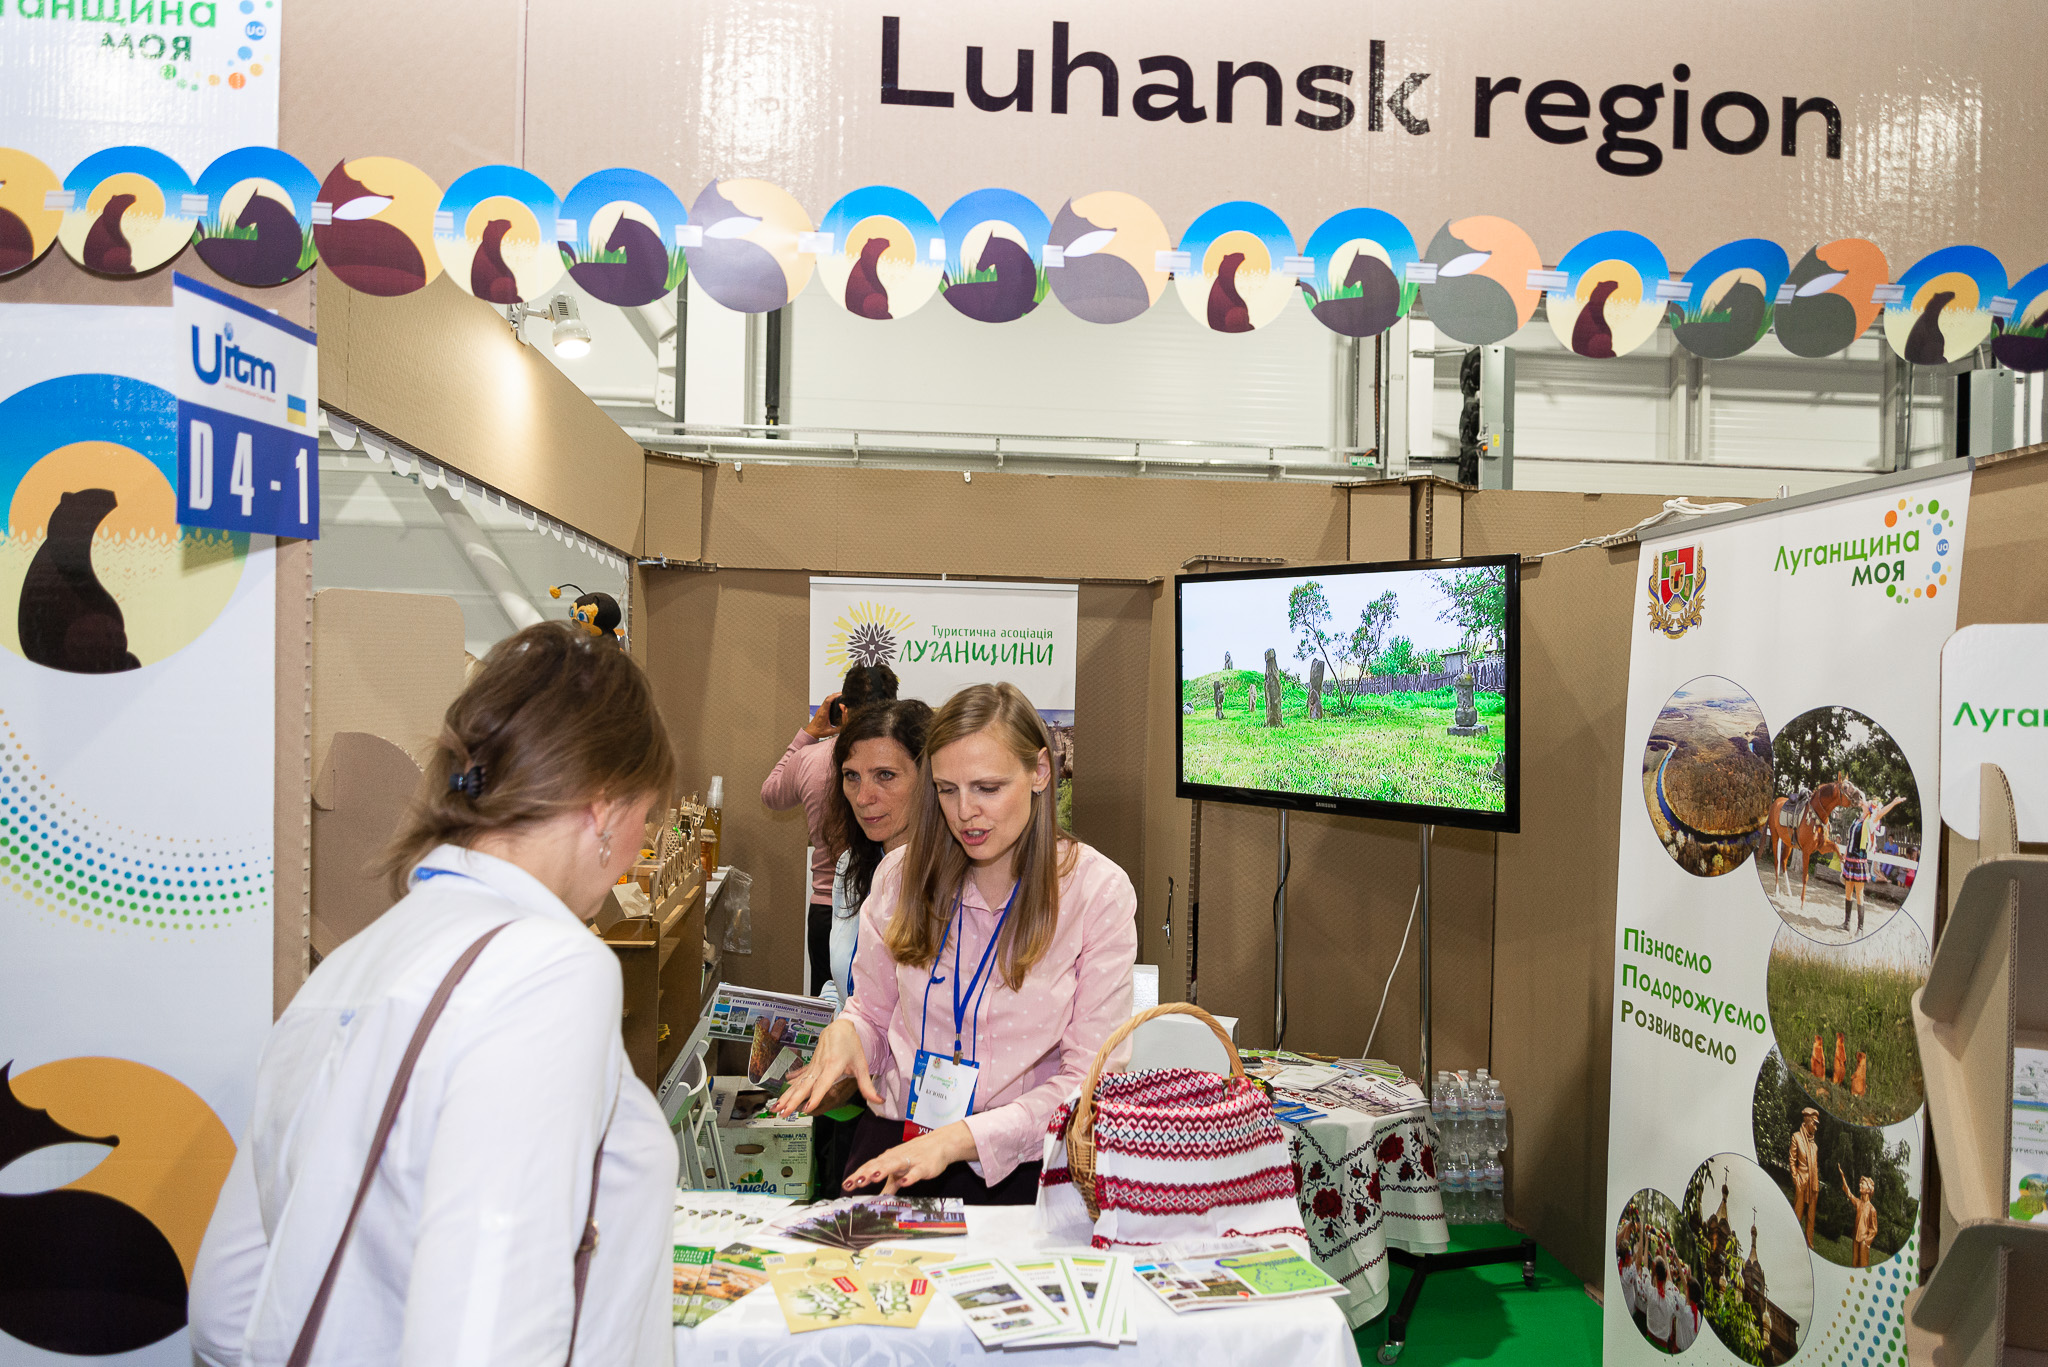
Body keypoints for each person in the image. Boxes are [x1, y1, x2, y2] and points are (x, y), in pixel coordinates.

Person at [188, 623, 680, 1367]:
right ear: (605, 805)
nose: (641, 845)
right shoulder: (547, 968)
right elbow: (489, 1333)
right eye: (648, 814)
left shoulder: (349, 966)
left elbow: (225, 1312)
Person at [771, 682, 1138, 1204]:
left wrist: (959, 1140)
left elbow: (1089, 1082)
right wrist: (848, 1033)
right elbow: (872, 1013)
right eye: (946, 790)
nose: (965, 812)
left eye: (987, 788)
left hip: (1024, 1169)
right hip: (896, 1148)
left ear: (1039, 772)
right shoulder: (900, 876)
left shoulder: (1095, 892)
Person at [764, 663, 899, 994]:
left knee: (828, 1013)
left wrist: (809, 733)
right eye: (852, 777)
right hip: (890, 904)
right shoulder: (903, 762)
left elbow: (771, 794)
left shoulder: (810, 759)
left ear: (842, 709)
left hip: (831, 910)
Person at [824, 698, 934, 1005]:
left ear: (929, 778)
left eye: (885, 775)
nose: (863, 798)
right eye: (852, 776)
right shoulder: (851, 866)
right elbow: (846, 982)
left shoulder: (956, 880)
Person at [1842, 793, 1906, 934]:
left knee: (1859, 894)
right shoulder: (1856, 820)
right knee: (1848, 892)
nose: (1863, 802)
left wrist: (1894, 803)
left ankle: (1860, 929)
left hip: (1859, 861)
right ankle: (1846, 923)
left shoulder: (1870, 822)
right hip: (1849, 860)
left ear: (1870, 807)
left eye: (1867, 802)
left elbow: (1881, 813)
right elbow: (1850, 839)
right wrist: (1845, 853)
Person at [1790, 1107, 1821, 1246]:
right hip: (1801, 1181)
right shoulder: (1796, 1137)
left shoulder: (1815, 1146)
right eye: (1814, 1123)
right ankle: (1794, 1240)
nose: (1815, 1127)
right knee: (1798, 1212)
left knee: (1811, 1217)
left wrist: (1816, 1183)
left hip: (1813, 1185)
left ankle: (1809, 1243)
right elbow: (1792, 1160)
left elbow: (1815, 1165)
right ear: (1807, 1121)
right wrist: (1795, 1178)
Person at [1839, 1166, 1880, 1267]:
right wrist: (1843, 1177)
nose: (1859, 1185)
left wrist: (1866, 1242)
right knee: (1854, 1263)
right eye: (1860, 1183)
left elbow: (1874, 1229)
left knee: (1863, 1264)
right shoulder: (1858, 1203)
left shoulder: (1872, 1209)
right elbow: (1849, 1193)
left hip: (1863, 1241)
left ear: (1868, 1189)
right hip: (1855, 1238)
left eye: (1862, 1183)